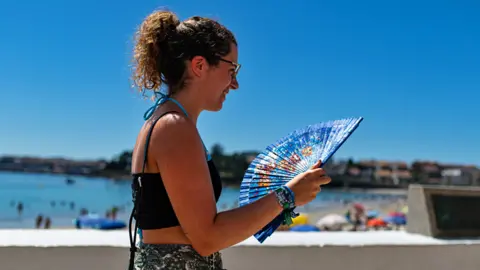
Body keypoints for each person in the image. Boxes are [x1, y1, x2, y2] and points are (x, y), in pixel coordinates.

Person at [128, 9, 332, 270]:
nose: (234, 83)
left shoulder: (164, 121)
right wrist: (287, 195)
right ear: (199, 65)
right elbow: (207, 238)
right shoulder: (174, 127)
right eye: (231, 69)